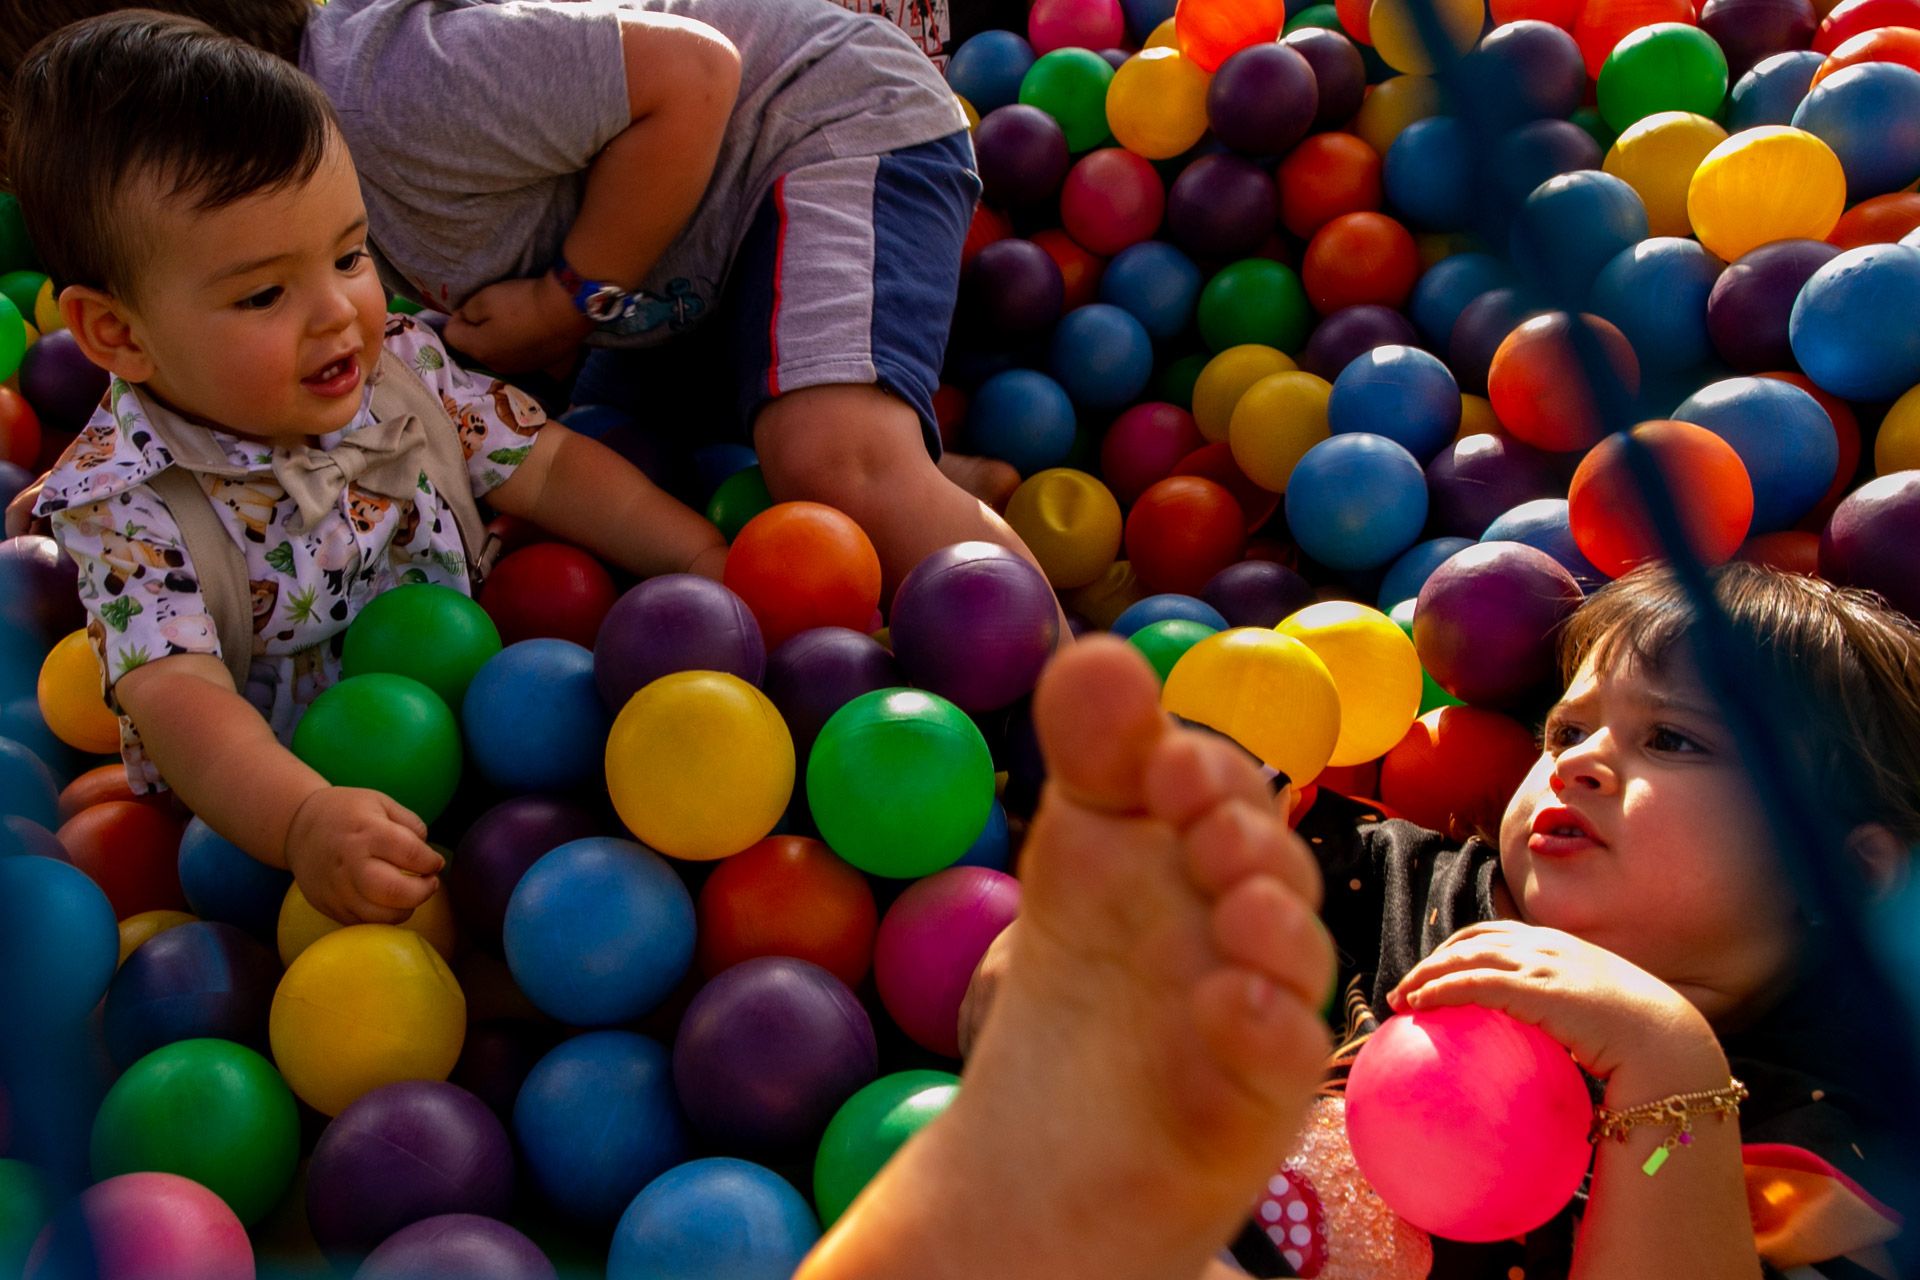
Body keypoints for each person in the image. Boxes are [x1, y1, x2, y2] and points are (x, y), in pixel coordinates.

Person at [949, 562, 1916, 1279]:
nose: (1580, 763)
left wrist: (1667, 1064)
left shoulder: (1820, 1143)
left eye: (1672, 739)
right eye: (1567, 731)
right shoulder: (1361, 878)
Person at [7, 13, 730, 927]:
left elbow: (543, 469)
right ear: (116, 333)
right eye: (265, 293)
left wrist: (698, 555)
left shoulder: (398, 365)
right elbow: (180, 697)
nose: (338, 312)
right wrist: (302, 820)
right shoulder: (133, 511)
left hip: (511, 718)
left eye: (348, 255)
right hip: (297, 828)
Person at [2, 0, 1043, 598]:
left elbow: (701, 76)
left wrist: (564, 299)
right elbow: (199, 343)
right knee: (606, 457)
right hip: (680, 266)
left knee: (822, 457)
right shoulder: (242, 206)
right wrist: (110, 471)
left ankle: (1097, 741)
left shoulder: (397, 89)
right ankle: (932, 475)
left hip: (810, 122)